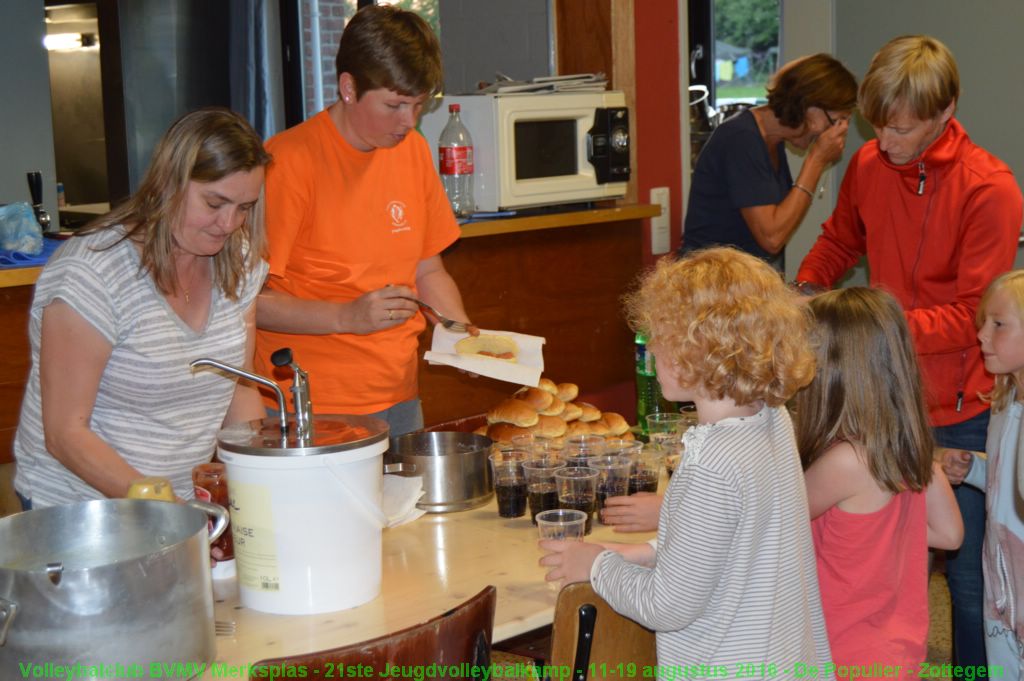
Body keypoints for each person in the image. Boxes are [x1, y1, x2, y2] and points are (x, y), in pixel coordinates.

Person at [795, 35, 1023, 673]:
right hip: (885, 396)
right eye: (878, 126)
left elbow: (972, 316)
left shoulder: (989, 188)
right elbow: (839, 240)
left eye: (901, 129)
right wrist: (806, 293)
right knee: (875, 565)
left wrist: (878, 329)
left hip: (959, 408)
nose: (885, 143)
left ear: (945, 112)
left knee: (973, 581)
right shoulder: (869, 164)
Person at [540, 247, 831, 669]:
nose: (651, 346)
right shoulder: (772, 419)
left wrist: (598, 565)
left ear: (698, 349)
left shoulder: (711, 466)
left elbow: (666, 606)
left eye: (660, 334)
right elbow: (727, 542)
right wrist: (642, 553)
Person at [13, 108, 270, 509]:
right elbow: (65, 433)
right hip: (80, 507)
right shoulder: (93, 273)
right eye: (215, 203)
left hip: (175, 502)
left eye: (244, 208)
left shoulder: (238, 261)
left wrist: (262, 483)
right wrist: (161, 505)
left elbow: (239, 385)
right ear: (169, 183)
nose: (229, 223)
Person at [255, 5, 474, 437]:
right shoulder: (287, 162)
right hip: (310, 404)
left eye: (418, 105)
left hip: (399, 394)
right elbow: (249, 304)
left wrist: (462, 335)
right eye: (394, 105)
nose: (407, 122)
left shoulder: (411, 151)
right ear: (349, 88)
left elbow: (428, 270)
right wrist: (346, 317)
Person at [797, 287, 963, 677]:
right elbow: (950, 534)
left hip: (842, 651)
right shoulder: (908, 451)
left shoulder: (846, 462)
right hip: (894, 649)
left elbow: (772, 515)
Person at [679, 53, 857, 272]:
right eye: (835, 121)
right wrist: (816, 160)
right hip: (710, 286)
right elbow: (772, 237)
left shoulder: (770, 140)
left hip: (738, 282)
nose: (833, 133)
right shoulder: (741, 139)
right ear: (809, 105)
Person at [948, 271, 1024, 675]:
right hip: (1000, 586)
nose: (980, 335)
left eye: (998, 324)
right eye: (982, 323)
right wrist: (975, 469)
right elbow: (1007, 487)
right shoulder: (1001, 402)